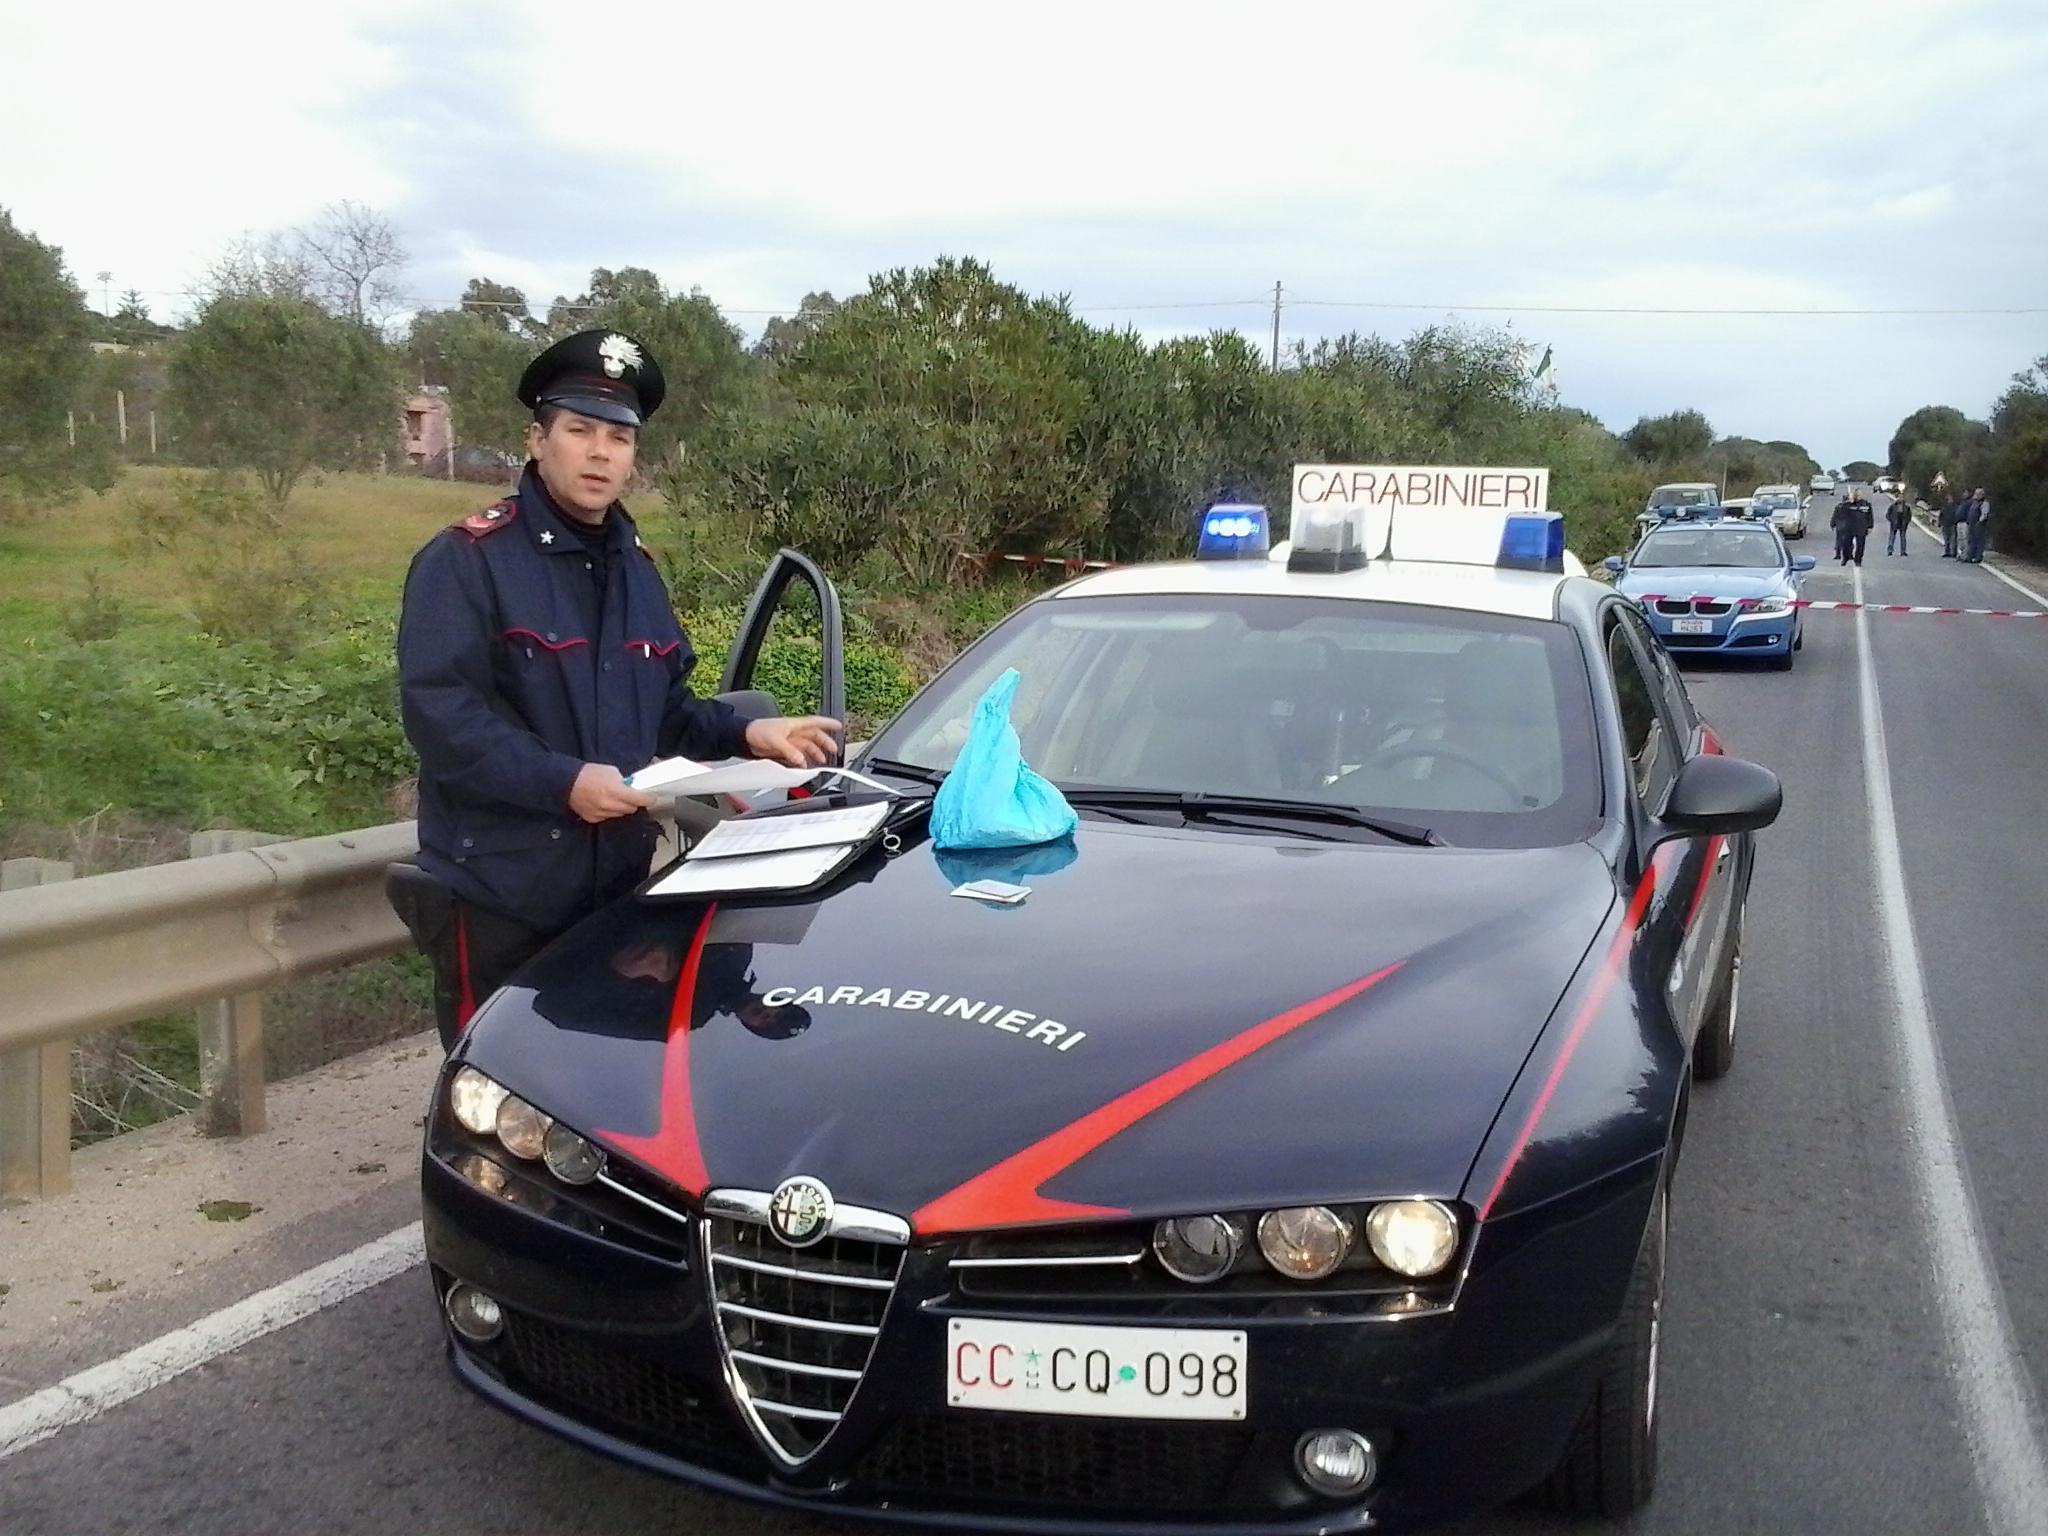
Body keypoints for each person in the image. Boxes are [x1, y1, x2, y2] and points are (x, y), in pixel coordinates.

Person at [389, 329, 841, 1049]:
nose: (601, 452)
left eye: (619, 438)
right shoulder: (467, 561)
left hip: (615, 895)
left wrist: (749, 733)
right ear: (537, 440)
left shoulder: (636, 568)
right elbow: (442, 718)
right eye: (579, 430)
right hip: (504, 895)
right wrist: (563, 782)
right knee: (493, 1093)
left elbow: (665, 708)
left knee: (596, 1095)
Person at [1964, 487, 1991, 562]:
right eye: (1976, 494)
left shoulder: (1984, 503)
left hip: (1979, 525)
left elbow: (1984, 514)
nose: (1976, 495)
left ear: (1982, 495)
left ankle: (1978, 557)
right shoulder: (1974, 503)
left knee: (1979, 541)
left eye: (1978, 494)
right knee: (1971, 541)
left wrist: (1979, 522)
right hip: (1971, 524)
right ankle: (1970, 556)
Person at [1940, 492, 1964, 558]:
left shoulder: (1956, 506)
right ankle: (1947, 552)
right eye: (1948, 498)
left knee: (1953, 539)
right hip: (1945, 524)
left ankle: (1953, 552)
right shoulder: (1944, 506)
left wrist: (1956, 521)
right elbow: (1941, 514)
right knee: (1946, 539)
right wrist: (1940, 522)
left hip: (1953, 524)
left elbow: (1957, 514)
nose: (1949, 499)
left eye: (1950, 498)